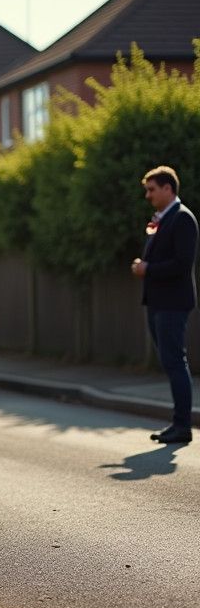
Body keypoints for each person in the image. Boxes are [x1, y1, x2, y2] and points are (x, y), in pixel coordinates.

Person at [131, 165, 197, 444]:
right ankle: (178, 423)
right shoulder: (163, 218)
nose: (148, 195)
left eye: (152, 189)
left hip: (172, 303)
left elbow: (182, 264)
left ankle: (182, 426)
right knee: (170, 362)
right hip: (158, 302)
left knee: (174, 362)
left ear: (168, 189)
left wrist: (148, 268)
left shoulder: (182, 219)